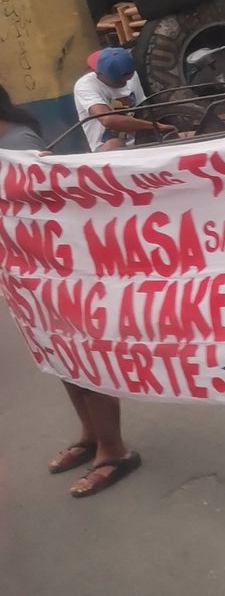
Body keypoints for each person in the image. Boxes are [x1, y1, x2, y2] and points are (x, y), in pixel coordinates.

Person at [0, 84, 140, 497]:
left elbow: (53, 203)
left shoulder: (18, 144)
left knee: (82, 355)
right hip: (23, 272)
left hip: (55, 269)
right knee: (59, 355)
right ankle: (91, 433)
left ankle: (114, 449)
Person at [73, 47, 173, 152]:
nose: (127, 80)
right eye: (122, 80)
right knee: (115, 143)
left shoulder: (132, 76)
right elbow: (107, 119)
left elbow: (139, 108)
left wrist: (152, 131)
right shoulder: (85, 85)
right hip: (106, 147)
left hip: (138, 141)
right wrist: (154, 126)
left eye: (129, 76)